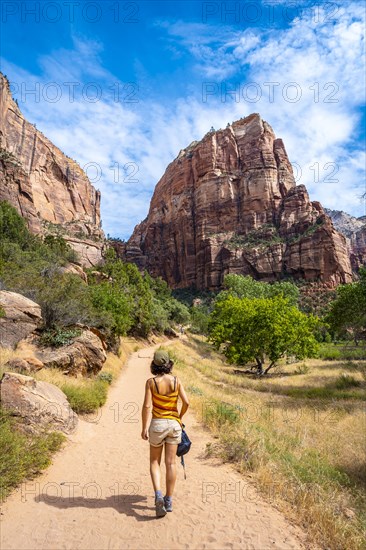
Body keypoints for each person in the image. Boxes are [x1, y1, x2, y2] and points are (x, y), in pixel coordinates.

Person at [141, 349, 189, 517]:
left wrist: (144, 427)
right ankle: (169, 500)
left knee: (155, 461)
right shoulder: (176, 381)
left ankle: (158, 495)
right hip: (174, 425)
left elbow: (147, 406)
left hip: (157, 425)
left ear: (154, 364)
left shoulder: (151, 383)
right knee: (171, 464)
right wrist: (179, 417)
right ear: (169, 364)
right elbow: (186, 402)